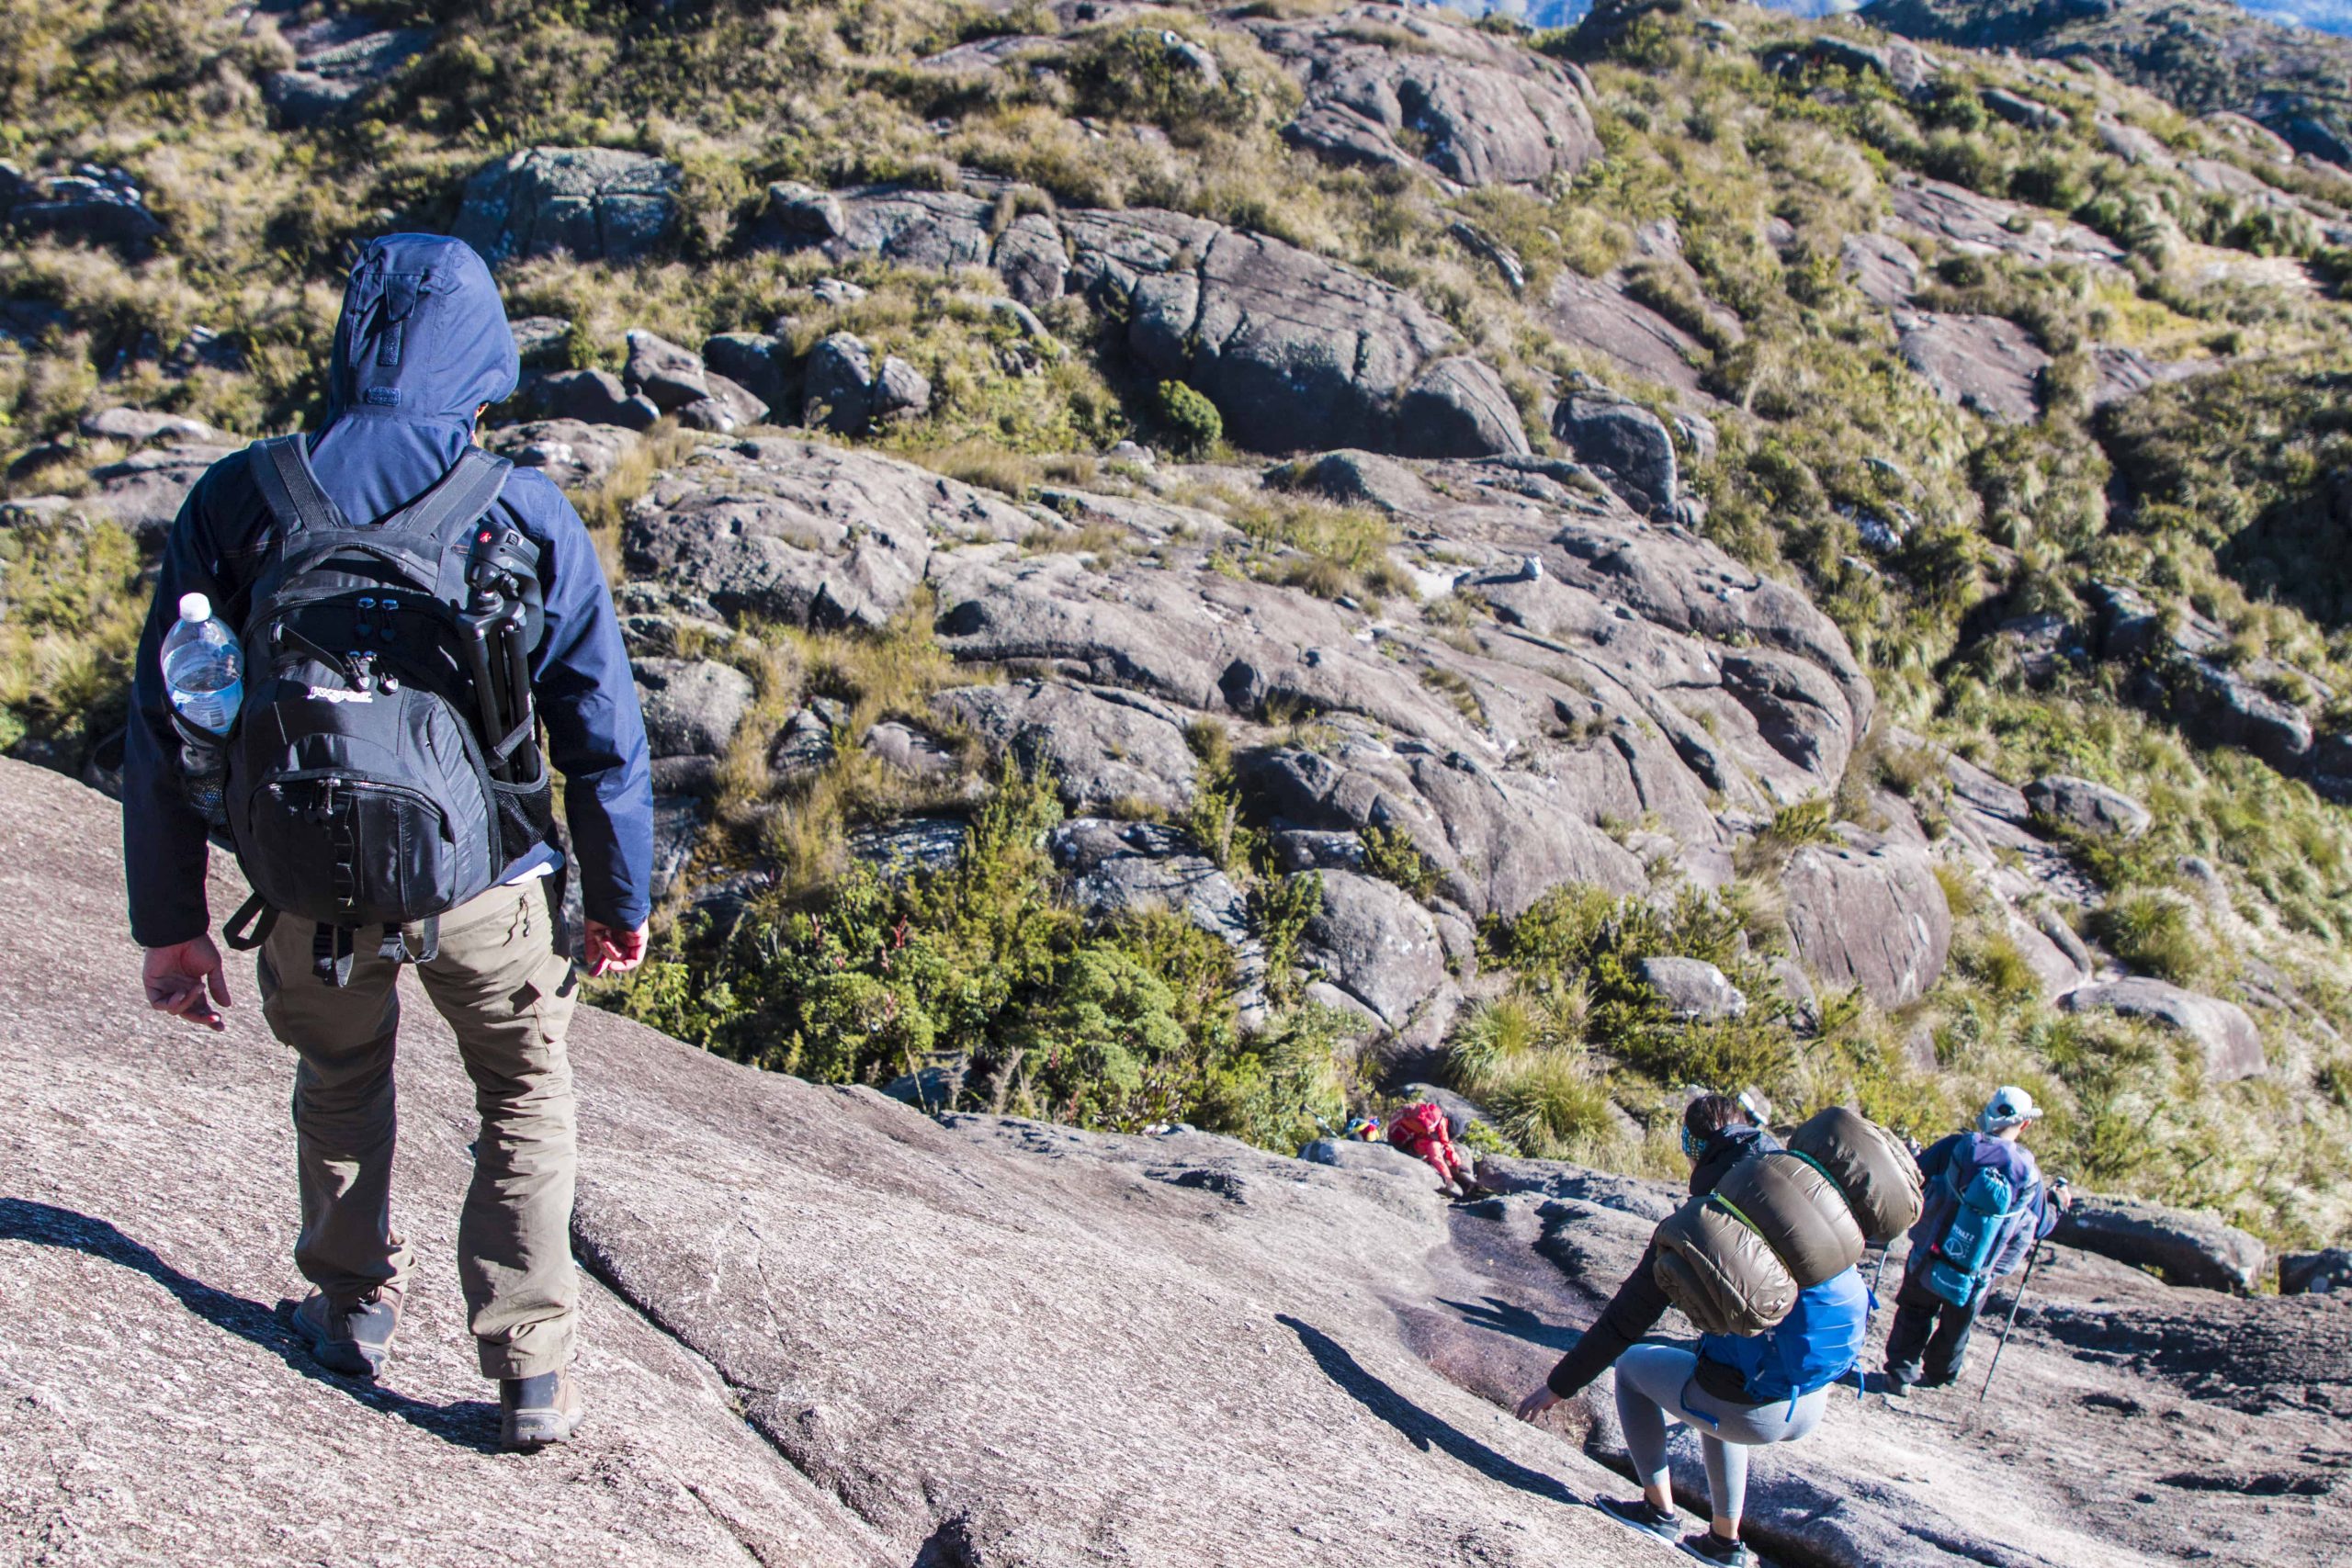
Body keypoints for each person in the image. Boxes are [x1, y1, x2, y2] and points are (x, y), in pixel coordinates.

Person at [124, 233, 654, 1452]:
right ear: (483, 351)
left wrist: (171, 922)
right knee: (522, 1091)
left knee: (340, 1080)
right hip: (491, 886)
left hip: (308, 886)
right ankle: (529, 1369)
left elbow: (167, 720)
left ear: (353, 336)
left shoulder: (240, 498)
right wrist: (618, 897)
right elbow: (604, 737)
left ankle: (350, 1310)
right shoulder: (521, 509)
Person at [1515, 1093, 1804, 1561]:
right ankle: (1724, 1542)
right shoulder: (1794, 1192)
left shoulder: (1699, 1223)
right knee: (1714, 1365)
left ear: (1694, 1147)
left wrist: (1558, 1386)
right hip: (1810, 1395)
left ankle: (1657, 1511)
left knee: (1632, 1366)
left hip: (1757, 1408)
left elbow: (1624, 1322)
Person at [1883, 1086, 2068, 1395]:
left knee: (1915, 1310)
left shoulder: (1956, 1147)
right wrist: (2059, 1202)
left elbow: (1916, 1175)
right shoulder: (2030, 1175)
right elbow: (2041, 1227)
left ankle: (1900, 1374)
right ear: (2025, 1124)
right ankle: (1942, 1373)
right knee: (1957, 1325)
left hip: (1930, 1252)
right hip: (1979, 1270)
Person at [1386, 1099, 1484, 1199]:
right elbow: (1436, 1155)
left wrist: (1457, 1163)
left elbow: (1446, 1143)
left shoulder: (1439, 1121)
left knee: (1439, 1146)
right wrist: (1447, 1177)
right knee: (1434, 1145)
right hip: (1401, 1144)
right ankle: (1422, 1160)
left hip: (1402, 1136)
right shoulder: (1432, 1128)